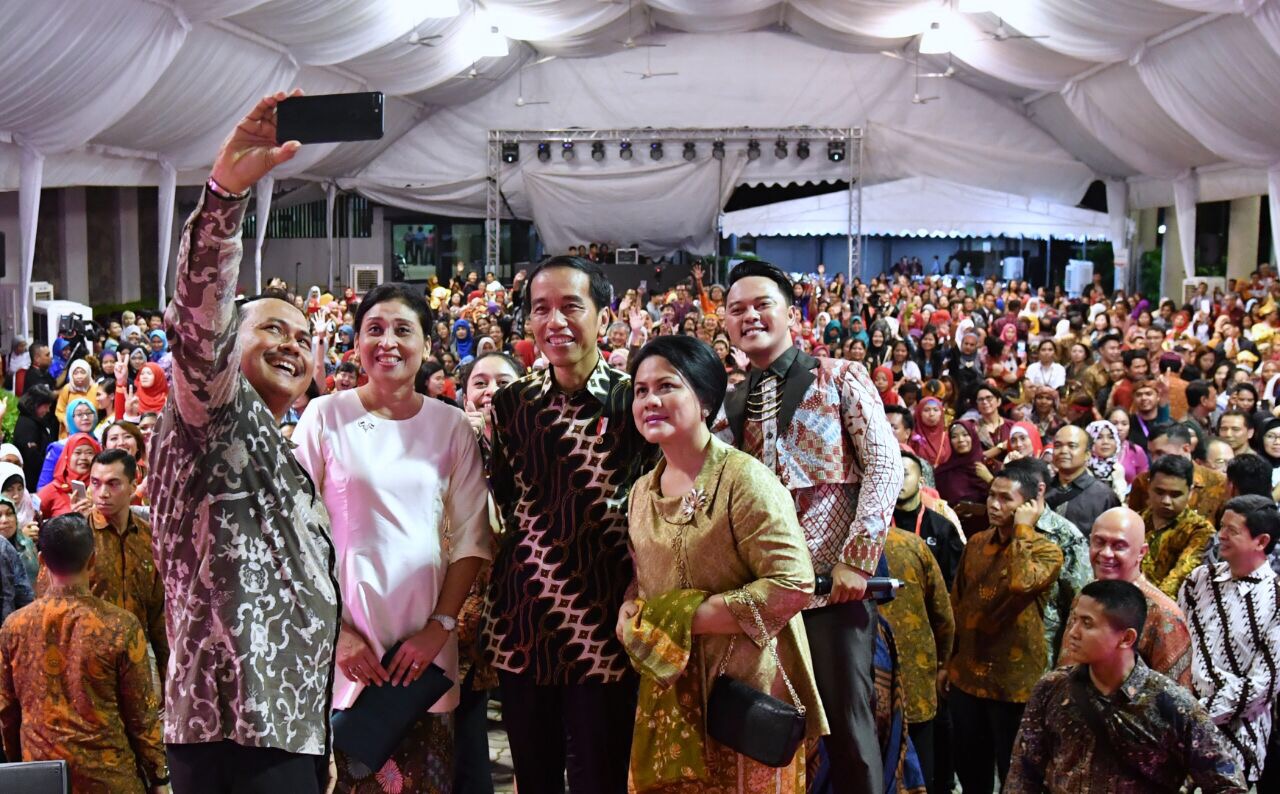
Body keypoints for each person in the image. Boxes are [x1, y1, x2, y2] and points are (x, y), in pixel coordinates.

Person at [148, 91, 340, 793]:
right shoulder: (211, 411)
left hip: (285, 728)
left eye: (305, 337)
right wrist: (225, 196)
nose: (293, 343)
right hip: (233, 734)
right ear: (232, 343)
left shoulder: (275, 446)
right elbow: (197, 323)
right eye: (273, 328)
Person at [294, 283, 491, 792]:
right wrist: (336, 633)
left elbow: (472, 538)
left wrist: (439, 627)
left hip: (423, 650)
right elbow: (293, 534)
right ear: (356, 342)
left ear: (427, 345)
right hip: (344, 646)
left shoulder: (450, 426)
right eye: (374, 329)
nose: (388, 341)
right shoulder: (324, 416)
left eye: (404, 330)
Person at [718, 260, 902, 794]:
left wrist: (856, 559)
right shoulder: (731, 404)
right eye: (737, 310)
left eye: (761, 304)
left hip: (835, 590)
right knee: (766, 730)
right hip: (766, 595)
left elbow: (885, 467)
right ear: (726, 325)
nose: (749, 315)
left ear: (790, 314)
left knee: (848, 728)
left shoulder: (841, 376)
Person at [620, 335, 826, 793]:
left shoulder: (743, 479)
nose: (650, 400)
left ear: (706, 397)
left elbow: (793, 583)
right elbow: (644, 580)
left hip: (742, 695)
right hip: (669, 693)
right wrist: (630, 609)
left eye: (667, 386)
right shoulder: (641, 493)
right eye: (640, 390)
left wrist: (685, 618)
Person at [484, 255, 658, 794]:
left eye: (571, 307)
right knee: (533, 778)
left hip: (606, 622)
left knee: (600, 776)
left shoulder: (635, 400)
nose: (555, 321)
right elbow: (505, 499)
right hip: (522, 622)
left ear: (603, 318)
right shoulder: (512, 404)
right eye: (541, 309)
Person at [1006, 580, 1245, 794]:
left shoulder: (1171, 704)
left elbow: (1227, 784)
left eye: (1087, 624)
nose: (1073, 632)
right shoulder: (1052, 688)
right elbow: (1023, 774)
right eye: (1075, 620)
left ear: (1126, 638)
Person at [0, 514, 169, 793]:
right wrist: (159, 778)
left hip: (42, 776)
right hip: (110, 778)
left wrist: (20, 767)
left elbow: (6, 712)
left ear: (42, 562)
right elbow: (142, 715)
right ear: (92, 561)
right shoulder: (120, 626)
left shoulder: (14, 628)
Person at [943, 465, 1064, 794]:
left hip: (1013, 683)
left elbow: (1021, 582)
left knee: (1015, 771)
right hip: (967, 675)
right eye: (991, 496)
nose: (994, 505)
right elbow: (957, 603)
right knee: (970, 768)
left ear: (1027, 505)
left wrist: (1024, 529)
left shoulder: (1046, 550)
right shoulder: (977, 542)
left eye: (1005, 499)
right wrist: (948, 663)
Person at [1180, 496, 1280, 785]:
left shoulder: (1276, 599)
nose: (1220, 535)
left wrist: (1196, 717)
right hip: (1180, 729)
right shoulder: (1198, 579)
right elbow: (1176, 646)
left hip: (1237, 740)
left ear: (1261, 541)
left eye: (1231, 530)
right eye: (1221, 526)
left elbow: (1264, 684)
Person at [880, 460, 956, 793]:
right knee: (921, 765)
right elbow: (943, 616)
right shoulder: (910, 545)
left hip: (862, 686)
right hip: (916, 677)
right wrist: (942, 664)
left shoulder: (829, 550)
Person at [1062, 507, 1192, 686]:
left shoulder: (1163, 614)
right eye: (1099, 542)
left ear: (1142, 552)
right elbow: (1067, 663)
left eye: (1118, 546)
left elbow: (1176, 699)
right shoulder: (1086, 594)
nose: (1106, 553)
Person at [1001, 457, 1093, 670]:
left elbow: (1079, 598)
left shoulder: (1064, 535)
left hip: (1043, 652)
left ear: (1039, 490)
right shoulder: (996, 531)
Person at [1141, 454, 1215, 599]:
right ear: (1149, 486)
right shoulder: (1134, 521)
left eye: (1175, 495)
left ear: (1191, 491)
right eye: (1159, 492)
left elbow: (1177, 580)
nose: (1166, 501)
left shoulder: (1200, 530)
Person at [1127, 422, 1227, 522]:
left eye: (1160, 453)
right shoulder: (1142, 482)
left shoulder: (1219, 483)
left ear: (1186, 449)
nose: (1154, 460)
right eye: (1151, 454)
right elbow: (1134, 524)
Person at [894, 449, 964, 588]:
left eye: (905, 474)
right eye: (892, 474)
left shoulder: (942, 527)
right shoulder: (878, 524)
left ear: (921, 482)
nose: (897, 479)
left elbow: (953, 581)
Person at [1045, 425, 1120, 537]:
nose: (1063, 451)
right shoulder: (1042, 490)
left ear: (1087, 455)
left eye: (1072, 446)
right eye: (1057, 446)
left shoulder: (1104, 496)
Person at [35, 431, 99, 518]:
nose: (83, 457)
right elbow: (32, 520)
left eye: (89, 453)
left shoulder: (102, 488)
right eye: (78, 452)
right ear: (67, 456)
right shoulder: (53, 490)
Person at [934, 423, 991, 506]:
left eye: (965, 435)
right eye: (954, 436)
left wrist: (990, 479)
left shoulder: (990, 465)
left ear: (973, 437)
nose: (960, 439)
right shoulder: (943, 472)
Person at [12, 384, 55, 490]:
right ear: (35, 404)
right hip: (31, 482)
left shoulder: (36, 421)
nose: (48, 410)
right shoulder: (27, 424)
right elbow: (32, 458)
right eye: (45, 406)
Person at [0, 496, 33, 622]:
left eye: (9, 514)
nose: (5, 520)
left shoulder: (28, 545)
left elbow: (25, 594)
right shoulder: (3, 548)